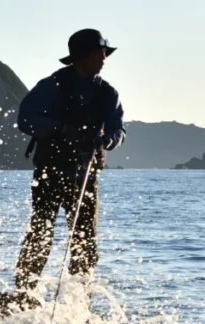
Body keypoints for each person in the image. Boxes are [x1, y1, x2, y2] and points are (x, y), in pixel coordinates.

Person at [14, 28, 126, 291]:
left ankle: (80, 305)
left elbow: (118, 130)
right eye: (99, 53)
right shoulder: (51, 86)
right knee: (40, 233)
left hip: (86, 175)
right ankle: (23, 293)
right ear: (81, 57)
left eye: (104, 53)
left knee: (84, 240)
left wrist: (106, 140)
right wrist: (59, 128)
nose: (104, 58)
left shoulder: (108, 94)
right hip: (49, 171)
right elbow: (25, 120)